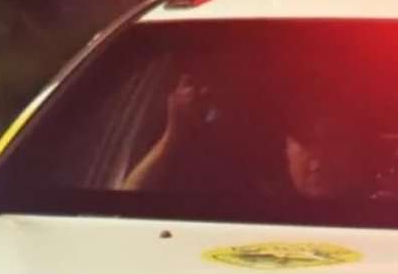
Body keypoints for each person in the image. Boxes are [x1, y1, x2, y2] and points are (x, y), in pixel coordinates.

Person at [122, 74, 370, 201]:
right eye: (305, 141)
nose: (318, 156)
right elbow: (126, 201)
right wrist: (173, 135)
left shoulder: (381, 215)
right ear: (285, 150)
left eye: (333, 140)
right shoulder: (248, 208)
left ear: (356, 148)